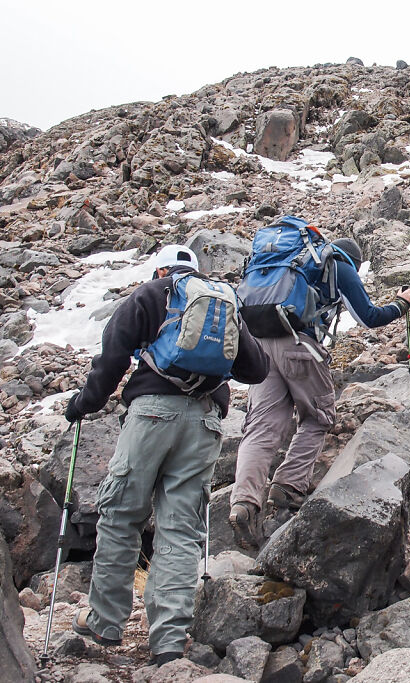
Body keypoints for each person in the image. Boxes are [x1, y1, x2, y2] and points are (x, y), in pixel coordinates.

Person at [63, 244, 269, 666]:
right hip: (206, 422)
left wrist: (83, 404)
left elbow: (113, 359)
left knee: (121, 516)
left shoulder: (149, 294)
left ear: (161, 270)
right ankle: (169, 642)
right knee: (180, 529)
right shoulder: (221, 301)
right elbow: (257, 369)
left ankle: (105, 623)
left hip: (151, 415)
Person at [229, 236, 410, 550]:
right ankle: (287, 487)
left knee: (261, 427)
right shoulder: (339, 265)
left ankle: (244, 503)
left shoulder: (293, 262)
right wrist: (400, 305)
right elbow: (367, 317)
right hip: (298, 345)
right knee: (317, 417)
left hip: (258, 346)